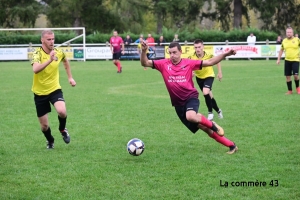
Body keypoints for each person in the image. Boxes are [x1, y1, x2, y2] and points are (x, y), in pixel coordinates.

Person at [140, 41, 238, 154]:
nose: (172, 55)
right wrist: (143, 51)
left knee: (191, 116)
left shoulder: (189, 63)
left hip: (191, 97)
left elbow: (210, 61)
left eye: (175, 52)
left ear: (180, 52)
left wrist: (226, 54)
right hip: (178, 105)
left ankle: (213, 125)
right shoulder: (163, 64)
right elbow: (145, 63)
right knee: (205, 129)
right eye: (170, 53)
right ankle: (231, 145)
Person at [31, 29, 76, 149]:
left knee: (62, 111)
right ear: (42, 40)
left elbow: (65, 61)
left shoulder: (58, 52)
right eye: (49, 39)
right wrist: (50, 60)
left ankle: (62, 129)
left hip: (54, 89)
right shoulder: (37, 53)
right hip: (40, 93)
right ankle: (50, 141)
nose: (52, 42)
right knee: (44, 126)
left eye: (53, 39)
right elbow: (35, 69)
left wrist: (70, 78)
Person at [189, 39, 223, 121]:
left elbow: (217, 61)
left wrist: (219, 72)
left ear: (203, 47)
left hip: (209, 76)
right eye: (196, 47)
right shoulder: (191, 57)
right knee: (209, 96)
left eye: (199, 47)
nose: (197, 49)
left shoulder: (209, 55)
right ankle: (218, 111)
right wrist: (191, 73)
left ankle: (210, 113)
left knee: (205, 92)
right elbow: (189, 67)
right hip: (199, 78)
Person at [276, 27, 300, 94]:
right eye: (287, 32)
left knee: (295, 75)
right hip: (287, 60)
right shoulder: (284, 41)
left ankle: (298, 88)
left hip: (296, 60)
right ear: (286, 33)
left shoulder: (297, 40)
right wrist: (278, 59)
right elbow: (281, 50)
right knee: (287, 76)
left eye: (290, 32)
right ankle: (290, 90)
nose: (289, 33)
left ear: (293, 33)